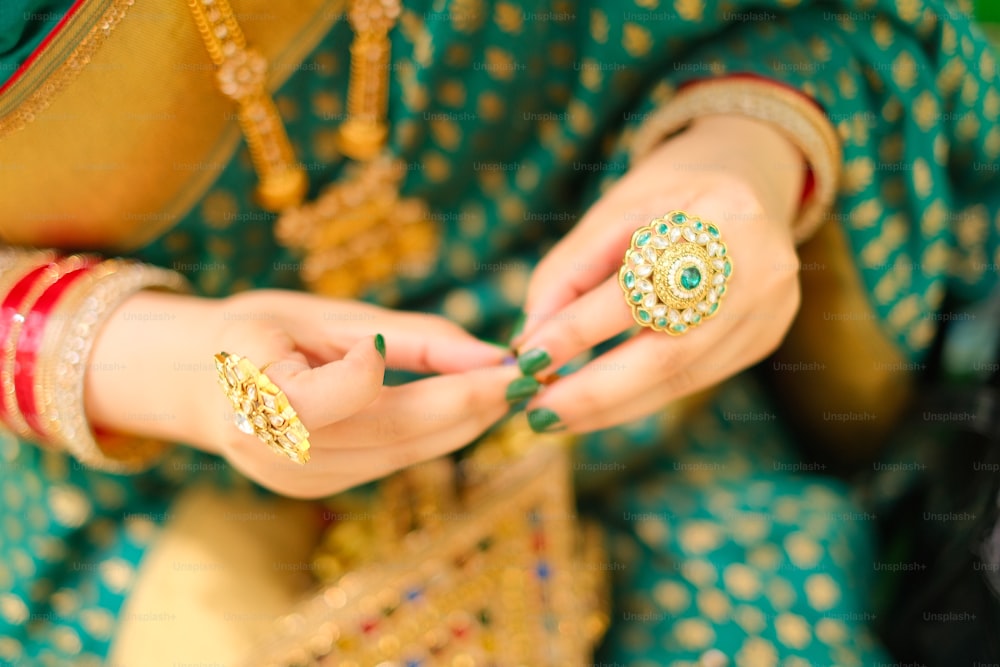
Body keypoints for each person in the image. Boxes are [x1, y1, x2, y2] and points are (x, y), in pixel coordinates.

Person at [0, 0, 997, 664]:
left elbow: (840, 22)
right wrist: (154, 361)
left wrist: (747, 150)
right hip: (126, 465)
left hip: (651, 390)